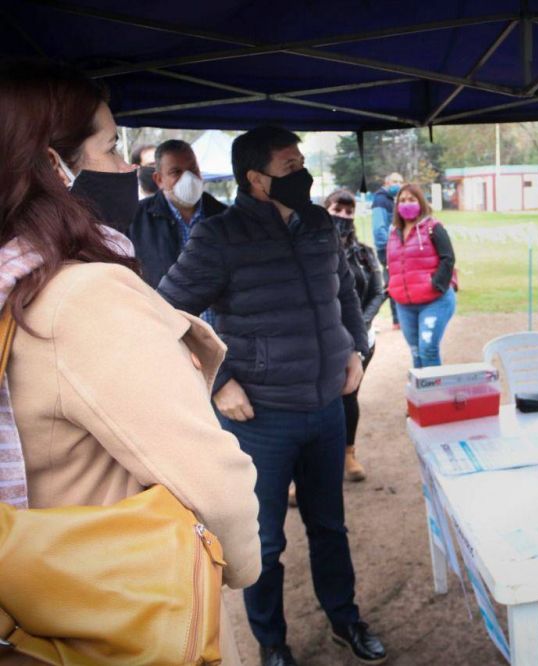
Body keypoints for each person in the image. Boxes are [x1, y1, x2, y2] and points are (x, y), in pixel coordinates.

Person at [0, 59, 260, 665]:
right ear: (51, 163)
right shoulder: (81, 298)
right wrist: (238, 567)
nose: (127, 168)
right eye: (113, 145)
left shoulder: (14, 284)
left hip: (42, 621)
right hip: (124, 621)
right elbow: (214, 485)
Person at [158, 125, 386, 666]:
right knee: (265, 544)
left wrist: (353, 347)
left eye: (302, 163)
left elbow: (343, 293)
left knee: (329, 525)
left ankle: (344, 618)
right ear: (257, 179)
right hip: (262, 418)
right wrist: (219, 381)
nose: (302, 175)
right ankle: (273, 644)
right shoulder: (219, 236)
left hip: (326, 408)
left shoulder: (319, 225)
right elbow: (167, 314)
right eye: (290, 167)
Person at [325, 189, 386, 483]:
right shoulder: (307, 249)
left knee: (348, 394)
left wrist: (359, 325)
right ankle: (307, 469)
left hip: (359, 338)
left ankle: (349, 453)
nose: (343, 216)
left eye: (349, 212)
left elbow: (377, 291)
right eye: (337, 209)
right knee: (318, 401)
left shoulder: (365, 253)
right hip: (319, 339)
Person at [128, 139, 226, 304]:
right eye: (176, 172)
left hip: (218, 327)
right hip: (167, 324)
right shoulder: (135, 221)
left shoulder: (224, 217)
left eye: (192, 169)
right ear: (159, 179)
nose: (188, 177)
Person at [386, 184, 456, 368]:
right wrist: (392, 286)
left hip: (435, 301)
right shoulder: (393, 233)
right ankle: (421, 395)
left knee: (428, 349)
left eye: (411, 199)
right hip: (405, 304)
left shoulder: (433, 227)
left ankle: (436, 395)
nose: (406, 204)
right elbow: (392, 264)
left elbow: (448, 258)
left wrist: (435, 285)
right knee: (416, 352)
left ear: (421, 202)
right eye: (402, 200)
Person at [371, 172, 403, 329]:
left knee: (395, 282)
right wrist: (388, 247)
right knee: (391, 284)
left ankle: (398, 320)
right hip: (387, 249)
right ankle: (368, 316)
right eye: (395, 181)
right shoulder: (380, 200)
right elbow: (379, 229)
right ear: (387, 182)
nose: (398, 184)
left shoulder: (391, 200)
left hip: (394, 247)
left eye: (400, 181)